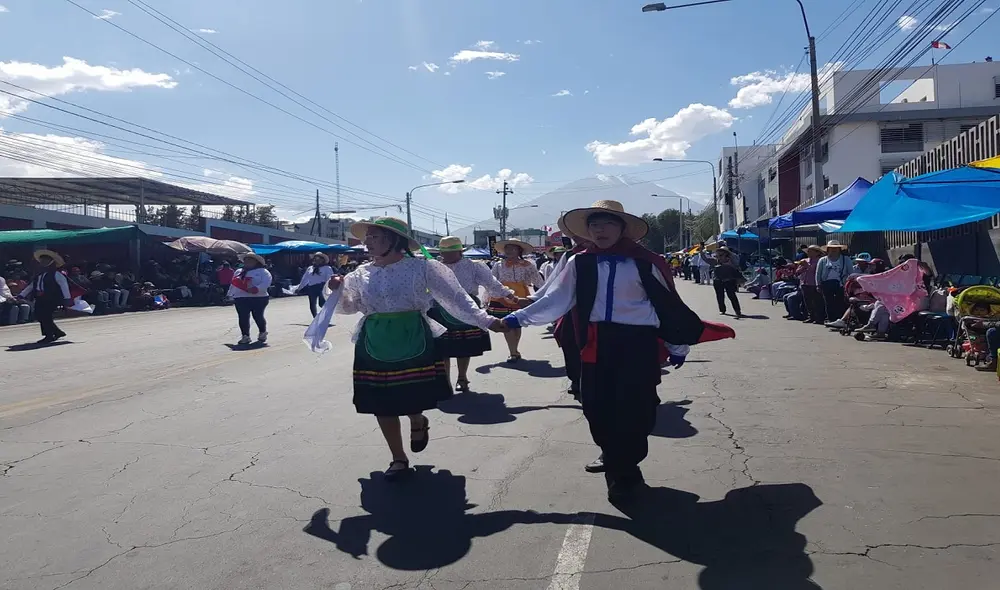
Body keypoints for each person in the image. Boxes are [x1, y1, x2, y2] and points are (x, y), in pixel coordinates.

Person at [501, 200, 733, 503]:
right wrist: (516, 318)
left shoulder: (645, 261)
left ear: (623, 229)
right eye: (594, 225)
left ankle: (624, 464)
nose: (600, 230)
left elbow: (667, 305)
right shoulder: (578, 262)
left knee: (639, 409)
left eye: (608, 223)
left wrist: (678, 345)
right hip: (596, 342)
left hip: (638, 342)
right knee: (596, 407)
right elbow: (557, 300)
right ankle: (617, 465)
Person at [326, 217, 506, 481]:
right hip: (374, 339)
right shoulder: (360, 274)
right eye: (368, 237)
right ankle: (398, 458)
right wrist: (337, 290)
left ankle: (417, 419)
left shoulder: (422, 268)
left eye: (374, 236)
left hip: (412, 333)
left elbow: (456, 298)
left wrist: (488, 321)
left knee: (409, 396)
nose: (367, 241)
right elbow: (349, 306)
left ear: (394, 240)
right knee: (381, 403)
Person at [431, 236, 517, 392]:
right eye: (443, 252)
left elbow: (491, 283)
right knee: (442, 349)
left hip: (467, 307)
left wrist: (508, 294)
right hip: (441, 309)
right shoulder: (435, 268)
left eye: (450, 252)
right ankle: (445, 383)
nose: (446, 256)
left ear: (459, 251)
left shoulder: (473, 266)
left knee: (463, 346)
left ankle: (462, 377)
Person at [488, 239, 543, 362]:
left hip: (521, 296)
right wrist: (487, 296)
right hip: (502, 295)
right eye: (507, 248)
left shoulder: (528, 265)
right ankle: (512, 351)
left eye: (513, 248)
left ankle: (514, 349)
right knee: (506, 323)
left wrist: (545, 294)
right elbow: (491, 281)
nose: (509, 251)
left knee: (517, 324)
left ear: (519, 250)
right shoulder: (498, 264)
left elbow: (537, 280)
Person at [18, 250, 73, 343]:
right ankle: (57, 332)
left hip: (52, 298)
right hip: (40, 298)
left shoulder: (57, 274)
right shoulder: (39, 275)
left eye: (46, 260)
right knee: (39, 315)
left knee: (45, 316)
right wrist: (21, 295)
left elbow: (64, 285)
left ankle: (49, 335)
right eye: (42, 260)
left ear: (52, 262)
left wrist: (67, 298)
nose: (43, 262)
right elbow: (31, 286)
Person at [228, 253, 272, 345]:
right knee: (243, 317)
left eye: (250, 260)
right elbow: (233, 283)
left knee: (258, 316)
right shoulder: (239, 271)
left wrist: (257, 289)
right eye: (246, 260)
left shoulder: (263, 272)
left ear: (256, 262)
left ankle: (262, 332)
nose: (247, 262)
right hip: (241, 297)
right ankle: (245, 336)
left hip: (259, 298)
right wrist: (230, 294)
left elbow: (266, 282)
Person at [815, 240, 852, 322]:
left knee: (840, 302)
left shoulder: (846, 259)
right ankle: (831, 319)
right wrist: (818, 285)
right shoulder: (823, 260)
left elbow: (851, 272)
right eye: (831, 248)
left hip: (841, 284)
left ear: (840, 249)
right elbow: (818, 273)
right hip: (826, 284)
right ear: (828, 249)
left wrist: (849, 285)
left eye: (836, 248)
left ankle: (840, 320)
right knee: (829, 303)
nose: (834, 250)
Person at [295, 252, 335, 317]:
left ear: (322, 260)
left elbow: (329, 279)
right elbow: (305, 279)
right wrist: (299, 288)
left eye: (318, 258)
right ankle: (315, 318)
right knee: (312, 304)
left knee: (321, 303)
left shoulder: (327, 268)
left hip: (322, 287)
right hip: (312, 287)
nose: (316, 259)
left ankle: (326, 315)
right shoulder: (310, 268)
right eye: (315, 258)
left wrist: (330, 288)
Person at [711, 247, 744, 317]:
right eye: (718, 253)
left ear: (726, 254)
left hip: (729, 281)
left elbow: (736, 268)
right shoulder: (716, 261)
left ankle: (737, 311)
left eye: (721, 253)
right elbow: (706, 259)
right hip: (718, 281)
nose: (719, 255)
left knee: (732, 296)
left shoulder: (732, 261)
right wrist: (701, 251)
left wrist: (728, 263)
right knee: (720, 296)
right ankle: (722, 310)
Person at [798, 245, 825, 323]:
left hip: (813, 283)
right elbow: (798, 271)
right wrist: (801, 267)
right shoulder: (805, 260)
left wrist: (807, 265)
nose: (808, 253)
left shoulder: (820, 261)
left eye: (810, 251)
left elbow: (815, 271)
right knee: (808, 302)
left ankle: (819, 318)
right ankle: (811, 316)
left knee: (816, 302)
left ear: (817, 252)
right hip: (804, 282)